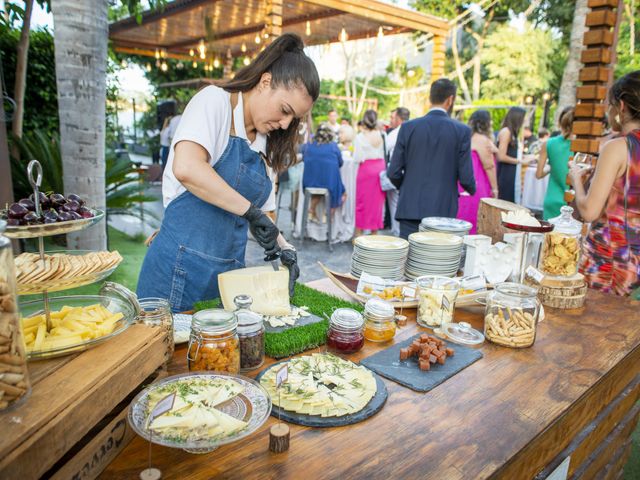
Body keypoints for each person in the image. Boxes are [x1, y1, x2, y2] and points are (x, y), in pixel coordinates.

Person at [137, 33, 319, 312]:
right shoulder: (215, 102)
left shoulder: (265, 144)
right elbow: (188, 168)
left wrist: (285, 247)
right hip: (177, 270)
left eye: (292, 119)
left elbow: (264, 216)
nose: (284, 124)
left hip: (229, 279)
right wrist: (250, 211)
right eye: (284, 110)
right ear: (265, 81)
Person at [570, 70, 640, 296]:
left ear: (620, 106)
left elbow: (589, 211)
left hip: (607, 263)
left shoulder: (618, 147)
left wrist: (577, 180)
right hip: (635, 267)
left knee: (588, 330)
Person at [387, 78, 476, 239]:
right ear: (450, 100)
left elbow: (393, 171)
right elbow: (466, 177)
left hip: (410, 206)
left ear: (430, 98)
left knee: (408, 259)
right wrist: (472, 189)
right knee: (438, 262)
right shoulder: (461, 130)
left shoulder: (408, 127)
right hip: (443, 210)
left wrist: (407, 186)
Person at [456, 110, 499, 233]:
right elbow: (489, 166)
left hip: (464, 181)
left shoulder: (467, 137)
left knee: (464, 211)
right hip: (479, 182)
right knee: (475, 214)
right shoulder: (482, 139)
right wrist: (495, 189)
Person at [536, 106, 574, 219]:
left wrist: (551, 168)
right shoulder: (581, 146)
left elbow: (538, 175)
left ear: (560, 122)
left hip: (551, 200)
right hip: (571, 203)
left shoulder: (549, 143)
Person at [301, 123, 346, 220]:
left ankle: (312, 209)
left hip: (309, 183)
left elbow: (304, 159)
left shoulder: (308, 145)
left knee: (318, 184)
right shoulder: (333, 146)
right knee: (343, 192)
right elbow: (340, 163)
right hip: (329, 185)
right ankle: (328, 213)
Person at [354, 109, 386, 236]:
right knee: (376, 204)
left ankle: (359, 235)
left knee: (361, 203)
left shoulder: (360, 137)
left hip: (366, 170)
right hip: (380, 168)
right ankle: (374, 234)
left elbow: (357, 158)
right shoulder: (383, 134)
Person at [385, 107, 410, 237]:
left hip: (397, 174)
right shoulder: (413, 131)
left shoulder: (394, 134)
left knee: (394, 204)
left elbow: (385, 152)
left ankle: (397, 233)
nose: (391, 120)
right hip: (410, 174)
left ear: (399, 119)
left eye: (392, 117)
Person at [496, 107, 528, 202]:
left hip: (512, 172)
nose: (525, 120)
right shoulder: (506, 132)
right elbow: (501, 156)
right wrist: (520, 161)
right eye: (524, 118)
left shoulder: (513, 133)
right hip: (506, 174)